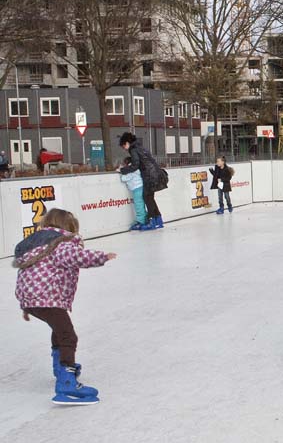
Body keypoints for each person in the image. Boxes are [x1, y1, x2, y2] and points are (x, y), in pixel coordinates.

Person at [13, 208, 116, 405]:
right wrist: (102, 257)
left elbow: (28, 275)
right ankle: (66, 382)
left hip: (30, 297)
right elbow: (77, 258)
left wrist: (26, 306)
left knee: (58, 330)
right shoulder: (61, 243)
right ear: (68, 227)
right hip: (46, 297)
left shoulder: (35, 244)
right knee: (68, 335)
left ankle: (59, 367)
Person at [119, 132, 168, 230]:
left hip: (149, 176)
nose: (124, 148)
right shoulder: (140, 147)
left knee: (147, 198)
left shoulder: (133, 149)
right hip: (155, 174)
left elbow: (135, 165)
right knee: (150, 198)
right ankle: (158, 220)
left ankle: (152, 222)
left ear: (127, 143)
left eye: (124, 145)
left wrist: (122, 170)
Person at [118, 157, 147, 230]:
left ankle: (141, 221)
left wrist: (120, 171)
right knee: (141, 205)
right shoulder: (136, 169)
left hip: (137, 189)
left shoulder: (131, 170)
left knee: (138, 205)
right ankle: (145, 219)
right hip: (140, 188)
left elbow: (124, 179)